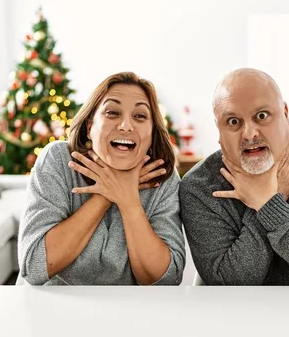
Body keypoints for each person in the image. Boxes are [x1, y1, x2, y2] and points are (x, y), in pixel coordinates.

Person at [180, 68, 289, 285]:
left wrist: (266, 203)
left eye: (261, 116)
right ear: (219, 130)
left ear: (286, 114)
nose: (250, 133)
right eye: (233, 122)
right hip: (239, 315)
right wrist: (271, 202)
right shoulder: (198, 187)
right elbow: (226, 285)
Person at [19, 72, 185, 285]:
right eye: (113, 112)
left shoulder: (161, 177)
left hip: (129, 314)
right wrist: (107, 193)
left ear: (152, 133)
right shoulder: (58, 160)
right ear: (90, 128)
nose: (126, 125)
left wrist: (128, 200)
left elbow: (167, 280)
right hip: (54, 311)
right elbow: (34, 267)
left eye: (140, 116)